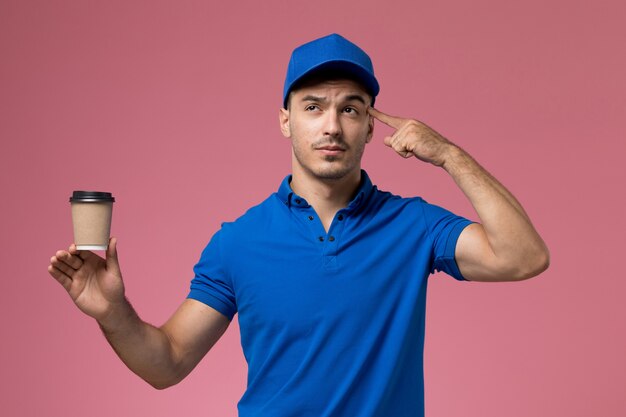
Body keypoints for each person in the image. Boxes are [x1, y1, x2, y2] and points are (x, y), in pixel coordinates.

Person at [48, 33, 549, 416]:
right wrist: (112, 313)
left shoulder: (413, 225)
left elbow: (524, 256)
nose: (332, 126)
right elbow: (169, 363)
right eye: (313, 107)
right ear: (286, 120)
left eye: (350, 109)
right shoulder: (237, 242)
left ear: (371, 127)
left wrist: (448, 155)